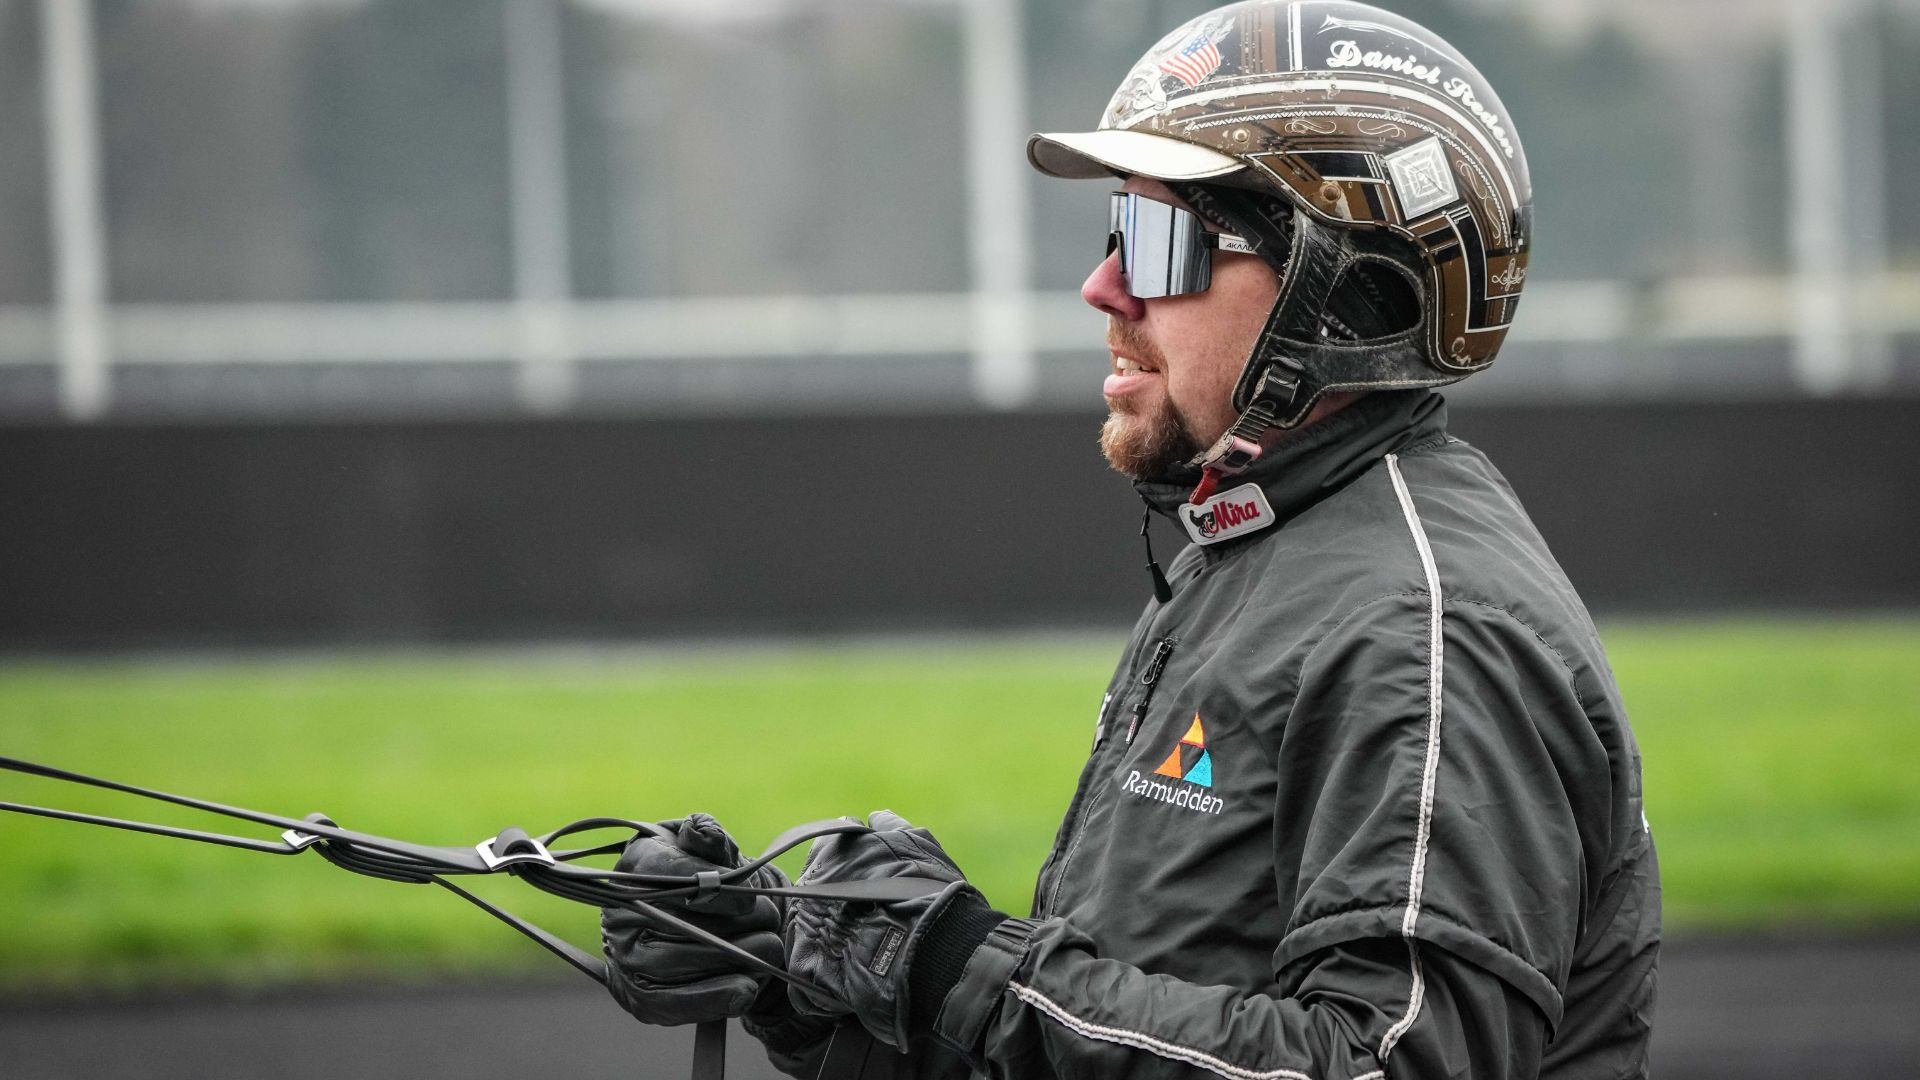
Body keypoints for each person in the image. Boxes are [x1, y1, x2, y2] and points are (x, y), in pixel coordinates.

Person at [602, 2, 1660, 1077]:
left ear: (1341, 290)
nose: (1102, 286)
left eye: (1160, 245)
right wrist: (807, 979)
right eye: (1115, 232)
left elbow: (1388, 1061)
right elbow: (1120, 1028)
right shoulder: (1255, 551)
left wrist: (964, 969)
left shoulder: (1422, 633)